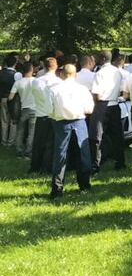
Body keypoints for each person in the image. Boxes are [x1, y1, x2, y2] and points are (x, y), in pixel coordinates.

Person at [44, 64, 95, 199]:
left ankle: (57, 189)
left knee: (60, 156)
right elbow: (89, 109)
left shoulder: (54, 89)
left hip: (60, 123)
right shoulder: (82, 89)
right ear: (75, 74)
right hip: (79, 122)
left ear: (62, 74)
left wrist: (56, 116)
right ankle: (84, 185)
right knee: (83, 154)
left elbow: (49, 110)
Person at [90, 51, 126, 171]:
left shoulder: (100, 73)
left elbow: (96, 94)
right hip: (115, 104)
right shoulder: (117, 72)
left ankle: (96, 164)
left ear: (103, 59)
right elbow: (121, 89)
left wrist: (95, 104)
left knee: (97, 136)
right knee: (117, 135)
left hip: (102, 105)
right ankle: (120, 162)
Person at [30, 57, 61, 173]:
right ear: (56, 66)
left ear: (44, 66)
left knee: (38, 142)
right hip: (53, 115)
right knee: (51, 143)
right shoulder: (58, 82)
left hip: (40, 113)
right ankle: (47, 166)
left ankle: (35, 166)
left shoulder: (36, 81)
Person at [9, 62, 37, 158]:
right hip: (35, 109)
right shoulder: (36, 81)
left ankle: (19, 151)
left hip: (24, 108)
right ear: (32, 70)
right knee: (31, 132)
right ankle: (28, 152)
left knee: (20, 130)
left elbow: (10, 97)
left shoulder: (18, 82)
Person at [0, 54, 19, 147]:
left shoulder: (1, 73)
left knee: (4, 120)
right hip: (13, 99)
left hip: (3, 98)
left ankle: (3, 140)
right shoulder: (17, 75)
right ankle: (11, 141)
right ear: (15, 63)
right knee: (13, 120)